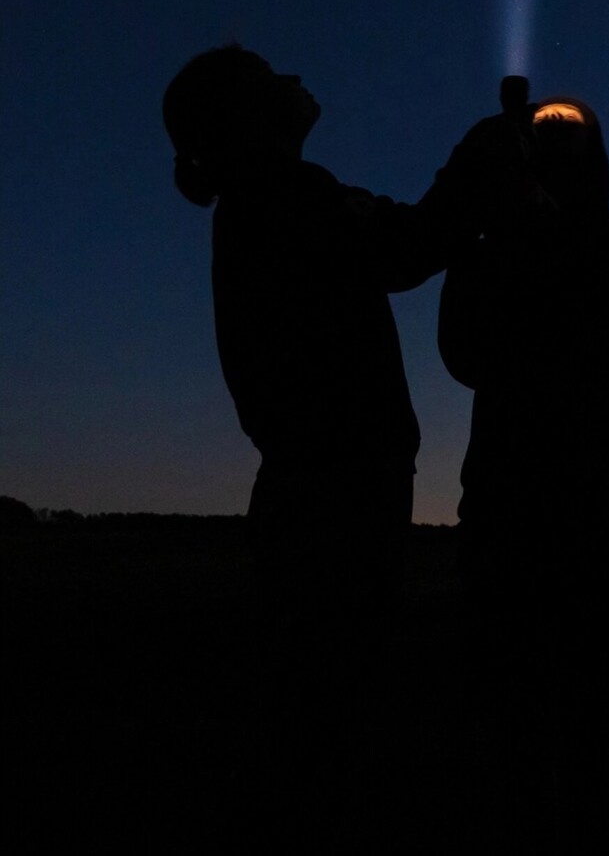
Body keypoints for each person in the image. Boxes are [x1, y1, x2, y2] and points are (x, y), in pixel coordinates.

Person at [161, 44, 523, 845]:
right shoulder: (288, 196)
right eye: (269, 77)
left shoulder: (266, 202)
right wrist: (478, 162)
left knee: (315, 706)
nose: (293, 76)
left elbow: (407, 241)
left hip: (314, 492)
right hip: (338, 497)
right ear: (251, 117)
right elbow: (409, 243)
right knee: (333, 714)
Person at [438, 89, 609, 855]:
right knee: (512, 715)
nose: (552, 139)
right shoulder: (506, 241)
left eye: (566, 129)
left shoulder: (605, 248)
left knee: (581, 718)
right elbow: (464, 353)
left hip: (582, 510)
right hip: (509, 502)